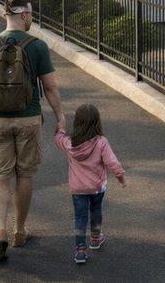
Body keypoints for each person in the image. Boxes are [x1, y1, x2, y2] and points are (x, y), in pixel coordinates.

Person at [0, 0, 64, 264]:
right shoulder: (37, 46)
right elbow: (50, 87)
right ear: (24, 16)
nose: (32, 18)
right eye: (31, 14)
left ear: (5, 15)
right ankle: (19, 231)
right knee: (24, 174)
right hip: (28, 120)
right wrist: (60, 118)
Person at [55, 104, 125, 265]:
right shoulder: (101, 142)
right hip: (97, 187)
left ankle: (80, 250)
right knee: (96, 211)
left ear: (77, 122)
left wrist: (60, 128)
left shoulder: (69, 143)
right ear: (97, 122)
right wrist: (120, 176)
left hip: (78, 189)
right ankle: (95, 238)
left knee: (80, 218)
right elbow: (112, 162)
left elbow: (58, 139)